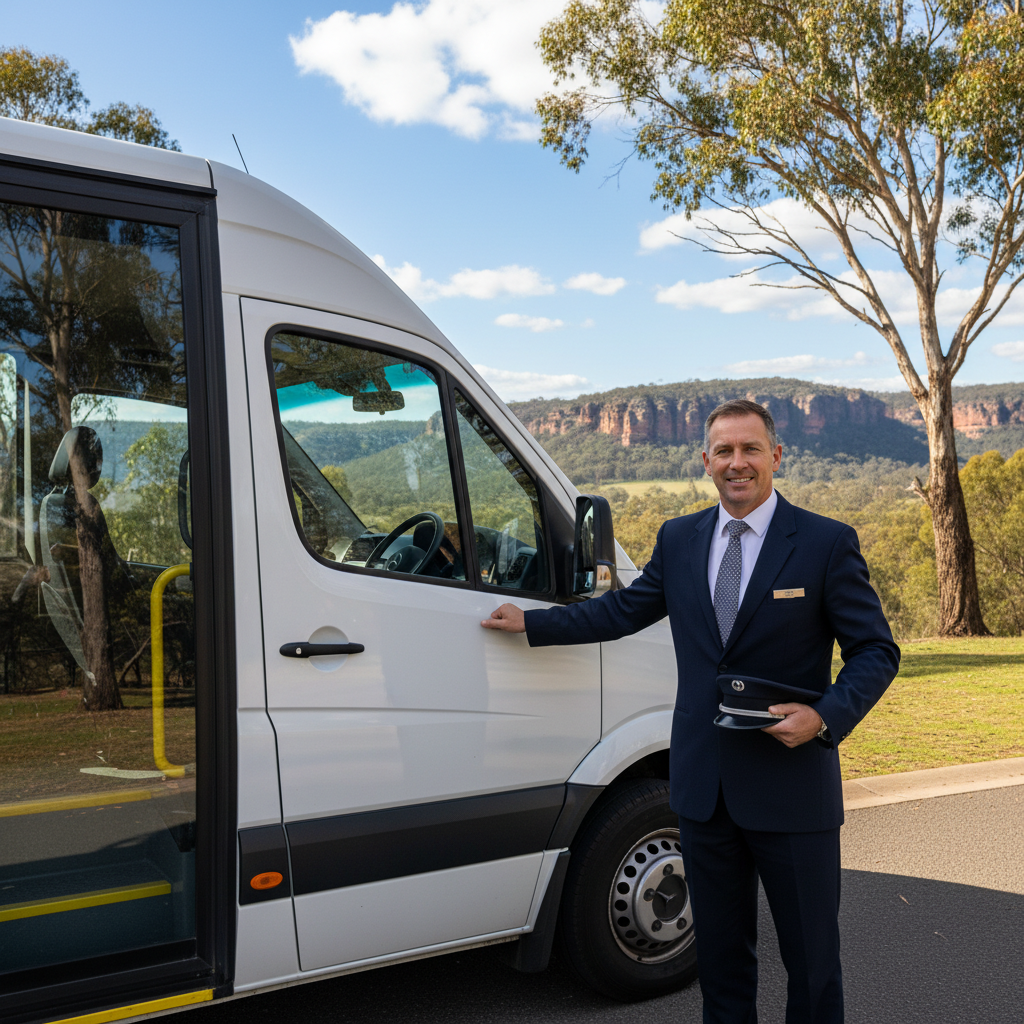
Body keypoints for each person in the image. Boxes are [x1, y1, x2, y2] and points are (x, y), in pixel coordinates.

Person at [482, 399, 899, 1024]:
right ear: (705, 461)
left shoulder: (825, 542)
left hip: (793, 792)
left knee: (812, 964)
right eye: (724, 451)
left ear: (776, 456)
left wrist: (826, 716)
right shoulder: (680, 538)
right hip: (703, 792)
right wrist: (533, 623)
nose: (738, 463)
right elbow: (622, 612)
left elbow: (875, 650)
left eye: (751, 449)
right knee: (723, 964)